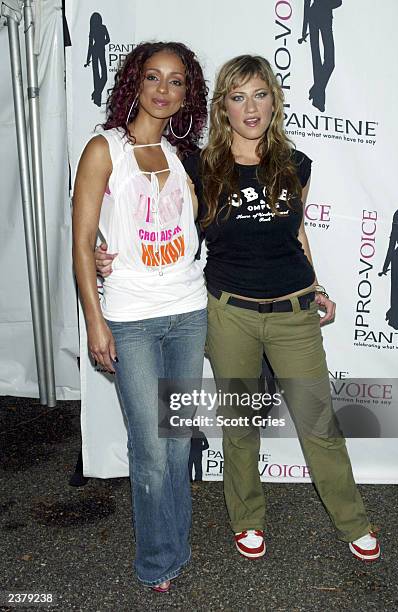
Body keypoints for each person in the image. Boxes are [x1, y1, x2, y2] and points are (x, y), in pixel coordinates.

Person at [96, 54, 380, 564]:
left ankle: (353, 519)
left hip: (293, 313)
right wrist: (105, 252)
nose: (251, 107)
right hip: (229, 315)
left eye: (261, 94)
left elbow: (296, 234)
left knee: (319, 422)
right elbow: (159, 223)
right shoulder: (197, 167)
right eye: (238, 96)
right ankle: (247, 518)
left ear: (274, 100)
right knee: (241, 424)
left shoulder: (296, 164)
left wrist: (315, 285)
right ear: (223, 106)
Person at [73, 41, 208, 592]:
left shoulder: (180, 156)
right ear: (135, 81)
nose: (163, 89)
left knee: (176, 440)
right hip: (130, 316)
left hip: (187, 310)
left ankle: (176, 545)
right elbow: (82, 243)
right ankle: (157, 562)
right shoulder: (103, 149)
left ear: (186, 94)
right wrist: (95, 319)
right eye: (153, 77)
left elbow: (189, 232)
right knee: (149, 448)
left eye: (176, 81)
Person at [378, 208, 398, 330]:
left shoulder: (396, 222)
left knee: (395, 287)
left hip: (397, 255)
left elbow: (391, 246)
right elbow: (391, 245)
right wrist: (385, 267)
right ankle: (393, 316)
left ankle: (393, 316)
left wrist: (385, 267)